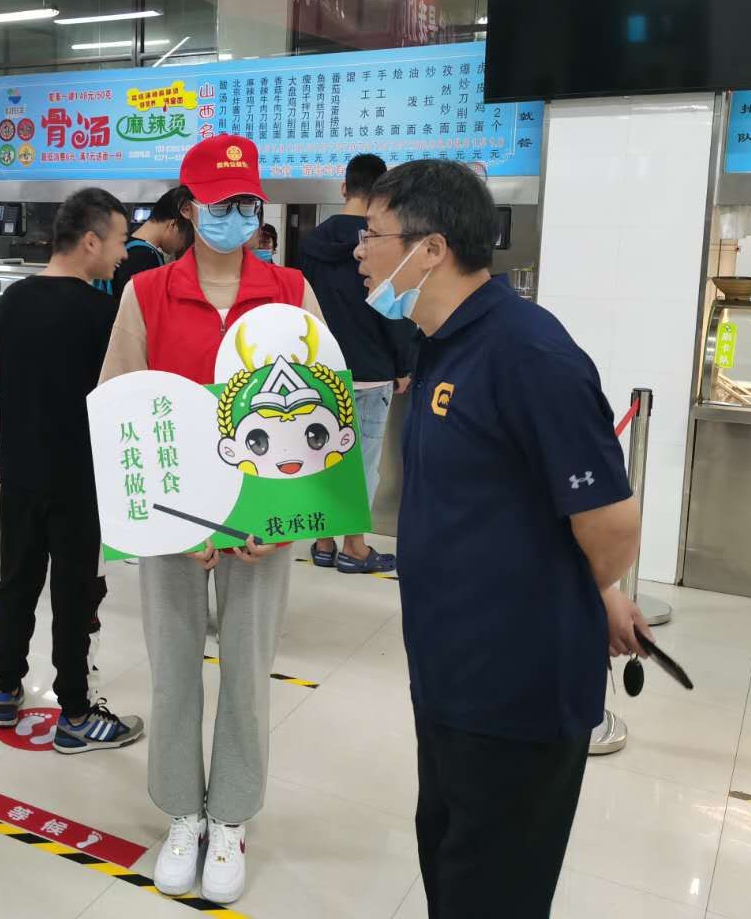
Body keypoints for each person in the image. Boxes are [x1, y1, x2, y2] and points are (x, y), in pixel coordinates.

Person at [354, 160, 649, 918]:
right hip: (452, 674)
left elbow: (612, 521)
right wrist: (599, 591)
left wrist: (590, 587)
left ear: (431, 249)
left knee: (493, 889)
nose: (359, 252)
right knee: (452, 860)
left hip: (515, 691)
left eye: (372, 234)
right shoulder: (443, 340)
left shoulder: (527, 353)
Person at [100, 134, 327, 905]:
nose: (236, 214)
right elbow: (124, 410)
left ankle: (229, 816)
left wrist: (279, 517)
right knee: (172, 669)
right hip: (174, 519)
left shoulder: (290, 291)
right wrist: (175, 521)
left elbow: (320, 416)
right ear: (189, 208)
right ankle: (181, 813)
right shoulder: (147, 294)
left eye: (248, 202)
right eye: (220, 202)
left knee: (247, 669)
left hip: (264, 523)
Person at [0, 187, 145, 754]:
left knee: (16, 581)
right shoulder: (104, 315)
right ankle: (75, 711)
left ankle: (5, 686)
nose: (124, 254)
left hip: (18, 472)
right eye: (121, 241)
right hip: (79, 479)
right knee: (74, 594)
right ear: (91, 241)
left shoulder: (13, 299)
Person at [299, 153, 419, 573]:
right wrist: (404, 364)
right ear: (381, 193)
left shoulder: (311, 244)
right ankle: (354, 547)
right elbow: (390, 309)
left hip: (320, 370)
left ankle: (323, 542)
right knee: (362, 461)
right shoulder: (379, 241)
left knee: (322, 457)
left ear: (344, 188)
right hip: (370, 369)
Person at [98, 185, 193, 298]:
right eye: (186, 237)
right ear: (173, 225)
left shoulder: (128, 246)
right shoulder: (145, 257)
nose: (183, 245)